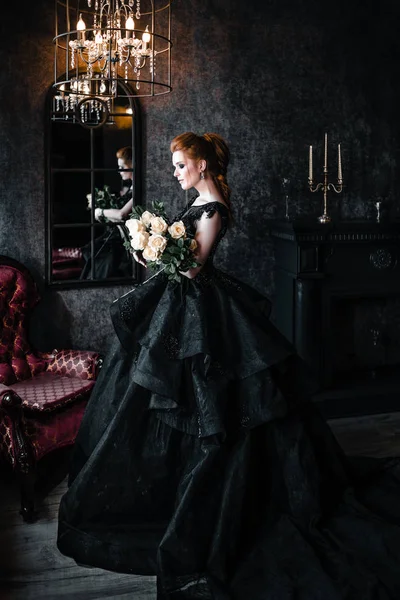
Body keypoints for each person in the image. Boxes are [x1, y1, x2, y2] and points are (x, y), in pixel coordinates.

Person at [58, 132, 400, 599]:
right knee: (161, 393)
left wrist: (158, 247)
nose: (176, 173)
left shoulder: (213, 208)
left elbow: (195, 268)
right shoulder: (198, 202)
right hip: (183, 304)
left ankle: (221, 489)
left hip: (203, 307)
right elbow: (180, 262)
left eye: (181, 165)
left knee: (214, 397)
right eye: (175, 166)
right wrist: (151, 248)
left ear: (201, 165)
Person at [80, 146, 135, 279]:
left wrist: (100, 211)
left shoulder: (139, 187)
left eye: (122, 166)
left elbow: (122, 214)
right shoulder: (131, 186)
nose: (119, 171)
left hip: (122, 242)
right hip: (115, 237)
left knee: (102, 266)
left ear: (132, 165)